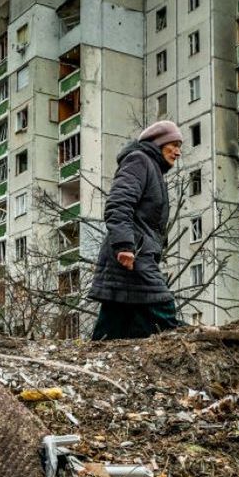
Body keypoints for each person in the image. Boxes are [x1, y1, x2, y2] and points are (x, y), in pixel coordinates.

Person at [88, 120, 184, 340]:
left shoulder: (153, 169)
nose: (178, 152)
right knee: (162, 307)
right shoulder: (139, 161)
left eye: (180, 147)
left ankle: (92, 363)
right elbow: (118, 203)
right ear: (159, 143)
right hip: (132, 257)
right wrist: (124, 245)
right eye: (174, 145)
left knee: (114, 327)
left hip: (136, 255)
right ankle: (197, 342)